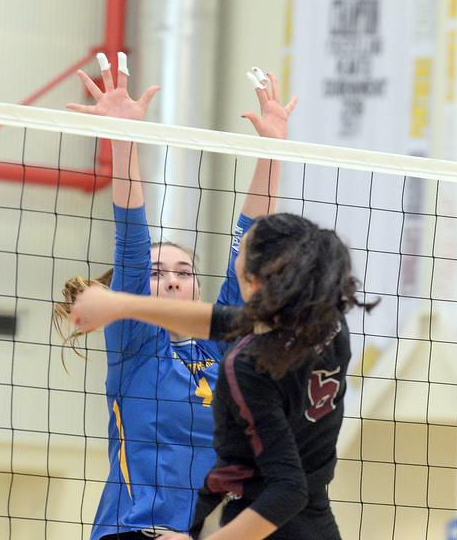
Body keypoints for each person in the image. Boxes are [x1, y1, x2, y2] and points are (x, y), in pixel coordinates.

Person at [53, 55, 296, 539]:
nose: (171, 280)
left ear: (197, 291)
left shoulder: (220, 349)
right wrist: (124, 140)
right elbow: (130, 238)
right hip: (131, 530)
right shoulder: (134, 346)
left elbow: (251, 246)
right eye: (157, 273)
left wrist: (273, 152)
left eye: (183, 273)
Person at [68, 213, 376, 540]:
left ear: (255, 279)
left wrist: (119, 304)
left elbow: (288, 490)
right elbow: (222, 321)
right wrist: (120, 304)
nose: (235, 261)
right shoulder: (331, 327)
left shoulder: (245, 366)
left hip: (267, 519)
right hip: (313, 523)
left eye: (241, 252)